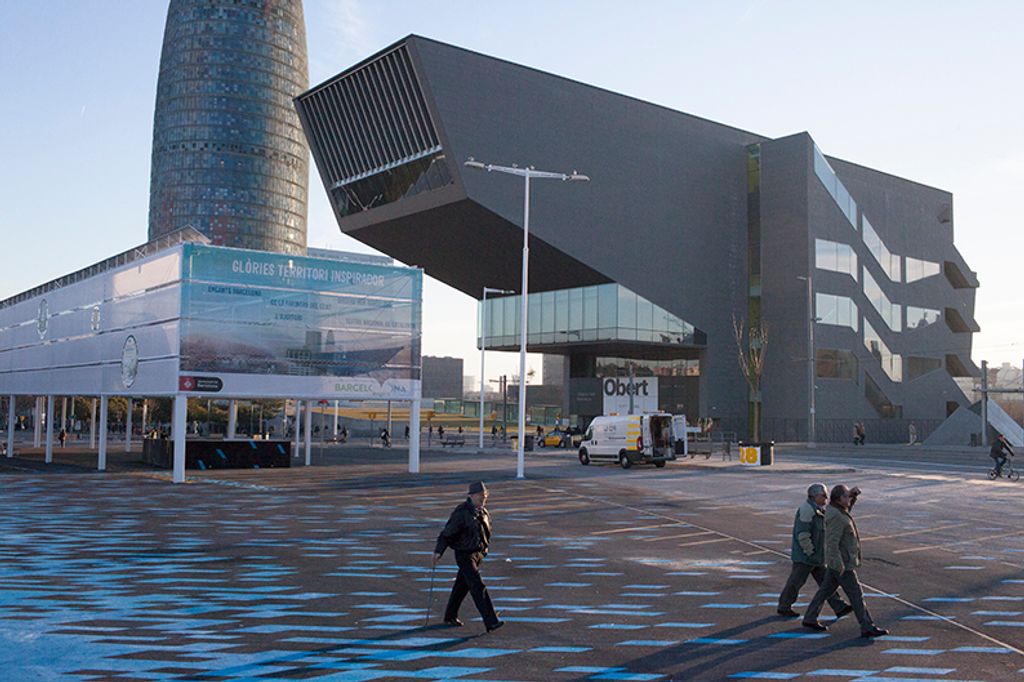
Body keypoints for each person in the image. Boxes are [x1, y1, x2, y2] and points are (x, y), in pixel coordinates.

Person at [802, 485, 888, 637]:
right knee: (856, 595)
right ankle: (867, 626)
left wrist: (853, 496)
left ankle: (810, 617)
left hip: (839, 563)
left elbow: (846, 512)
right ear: (839, 499)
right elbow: (832, 542)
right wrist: (837, 564)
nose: (849, 499)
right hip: (842, 564)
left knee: (825, 591)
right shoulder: (836, 516)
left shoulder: (837, 510)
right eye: (846, 496)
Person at [433, 481, 504, 632]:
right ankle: (491, 621)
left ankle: (450, 616)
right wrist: (439, 551)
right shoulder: (462, 512)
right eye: (480, 496)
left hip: (477, 554)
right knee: (477, 586)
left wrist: (484, 550)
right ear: (471, 496)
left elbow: (485, 533)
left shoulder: (483, 512)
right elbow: (447, 533)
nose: (483, 499)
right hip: (465, 554)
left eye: (485, 496)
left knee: (461, 586)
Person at [777, 483, 852, 619]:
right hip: (806, 557)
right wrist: (810, 551)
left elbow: (842, 511)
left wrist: (853, 496)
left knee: (826, 584)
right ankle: (784, 606)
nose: (826, 498)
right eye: (823, 495)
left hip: (817, 556)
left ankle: (839, 606)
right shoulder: (807, 510)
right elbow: (803, 534)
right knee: (795, 582)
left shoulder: (819, 509)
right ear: (815, 496)